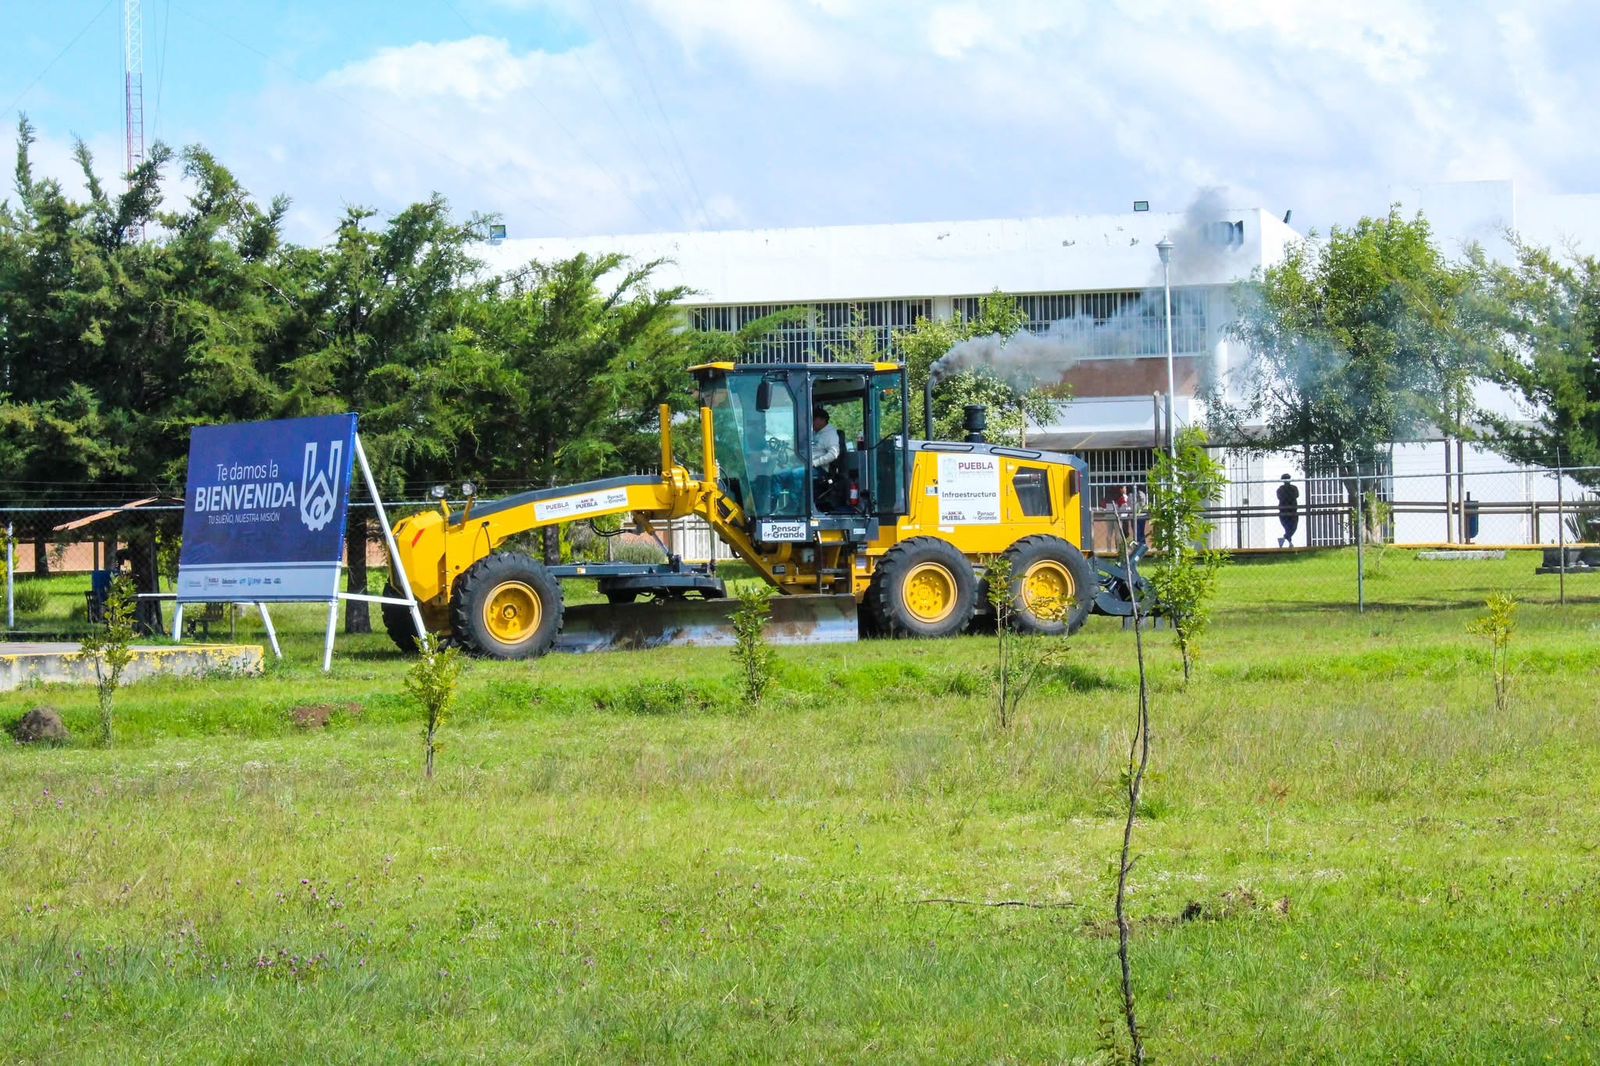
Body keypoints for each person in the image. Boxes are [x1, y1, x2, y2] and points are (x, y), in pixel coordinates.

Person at [1276, 473, 1300, 548]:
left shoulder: (1294, 488)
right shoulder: (1280, 489)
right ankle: (1288, 541)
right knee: (1288, 527)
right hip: (1284, 511)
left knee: (1293, 527)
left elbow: (1296, 495)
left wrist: (1288, 495)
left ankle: (1285, 539)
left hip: (1293, 511)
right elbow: (1281, 497)